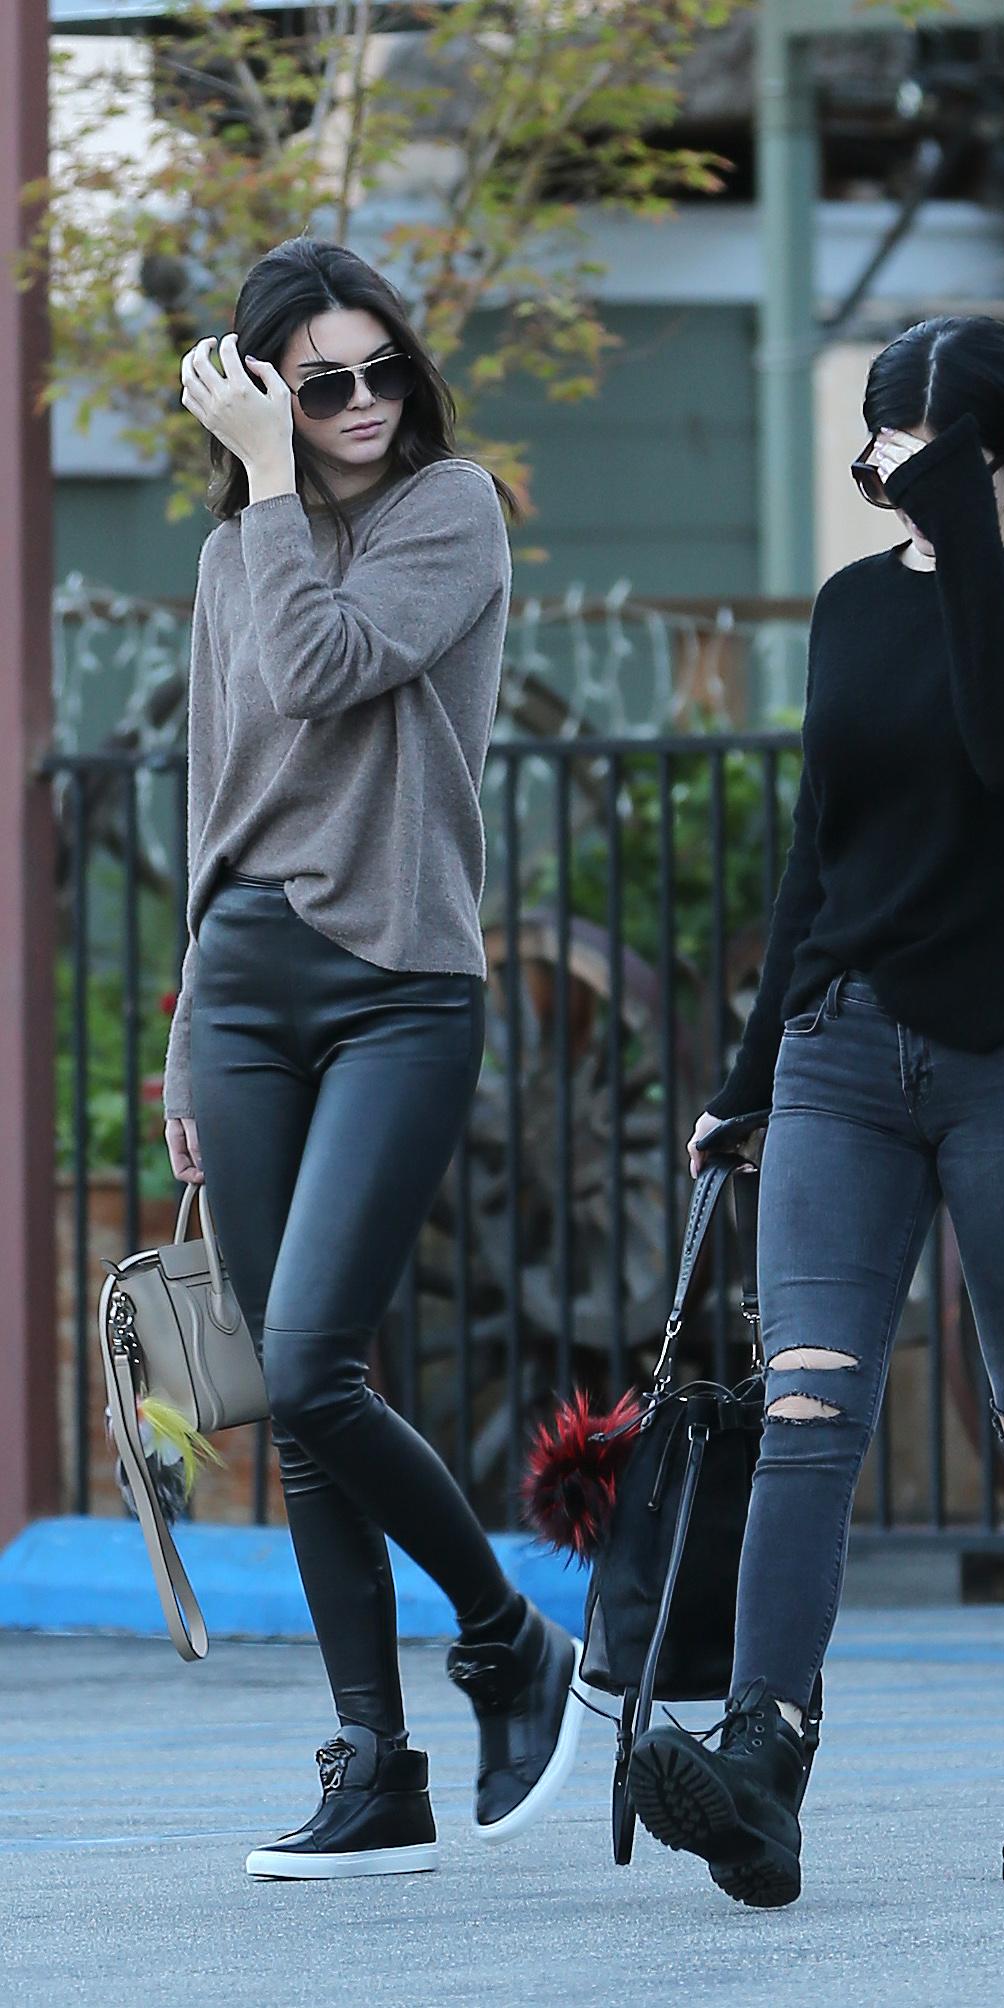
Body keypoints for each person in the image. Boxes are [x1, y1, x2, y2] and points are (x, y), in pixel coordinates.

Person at [627, 315, 1004, 1908]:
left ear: (992, 449)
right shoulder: (853, 607)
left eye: (904, 448)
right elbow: (817, 847)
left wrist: (972, 538)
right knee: (807, 1406)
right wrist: (746, 1076)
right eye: (868, 446)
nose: (874, 476)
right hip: (847, 1052)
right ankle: (762, 1759)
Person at [162, 237, 582, 1880]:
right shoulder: (230, 558)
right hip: (249, 985)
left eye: (376, 370)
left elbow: (328, 672)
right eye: (315, 380)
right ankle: (373, 1764)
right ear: (265, 386)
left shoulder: (449, 511)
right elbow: (218, 791)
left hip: (398, 981)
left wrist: (272, 484)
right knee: (286, 1388)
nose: (355, 404)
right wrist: (194, 1033)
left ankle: (508, 1642)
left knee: (319, 1358)